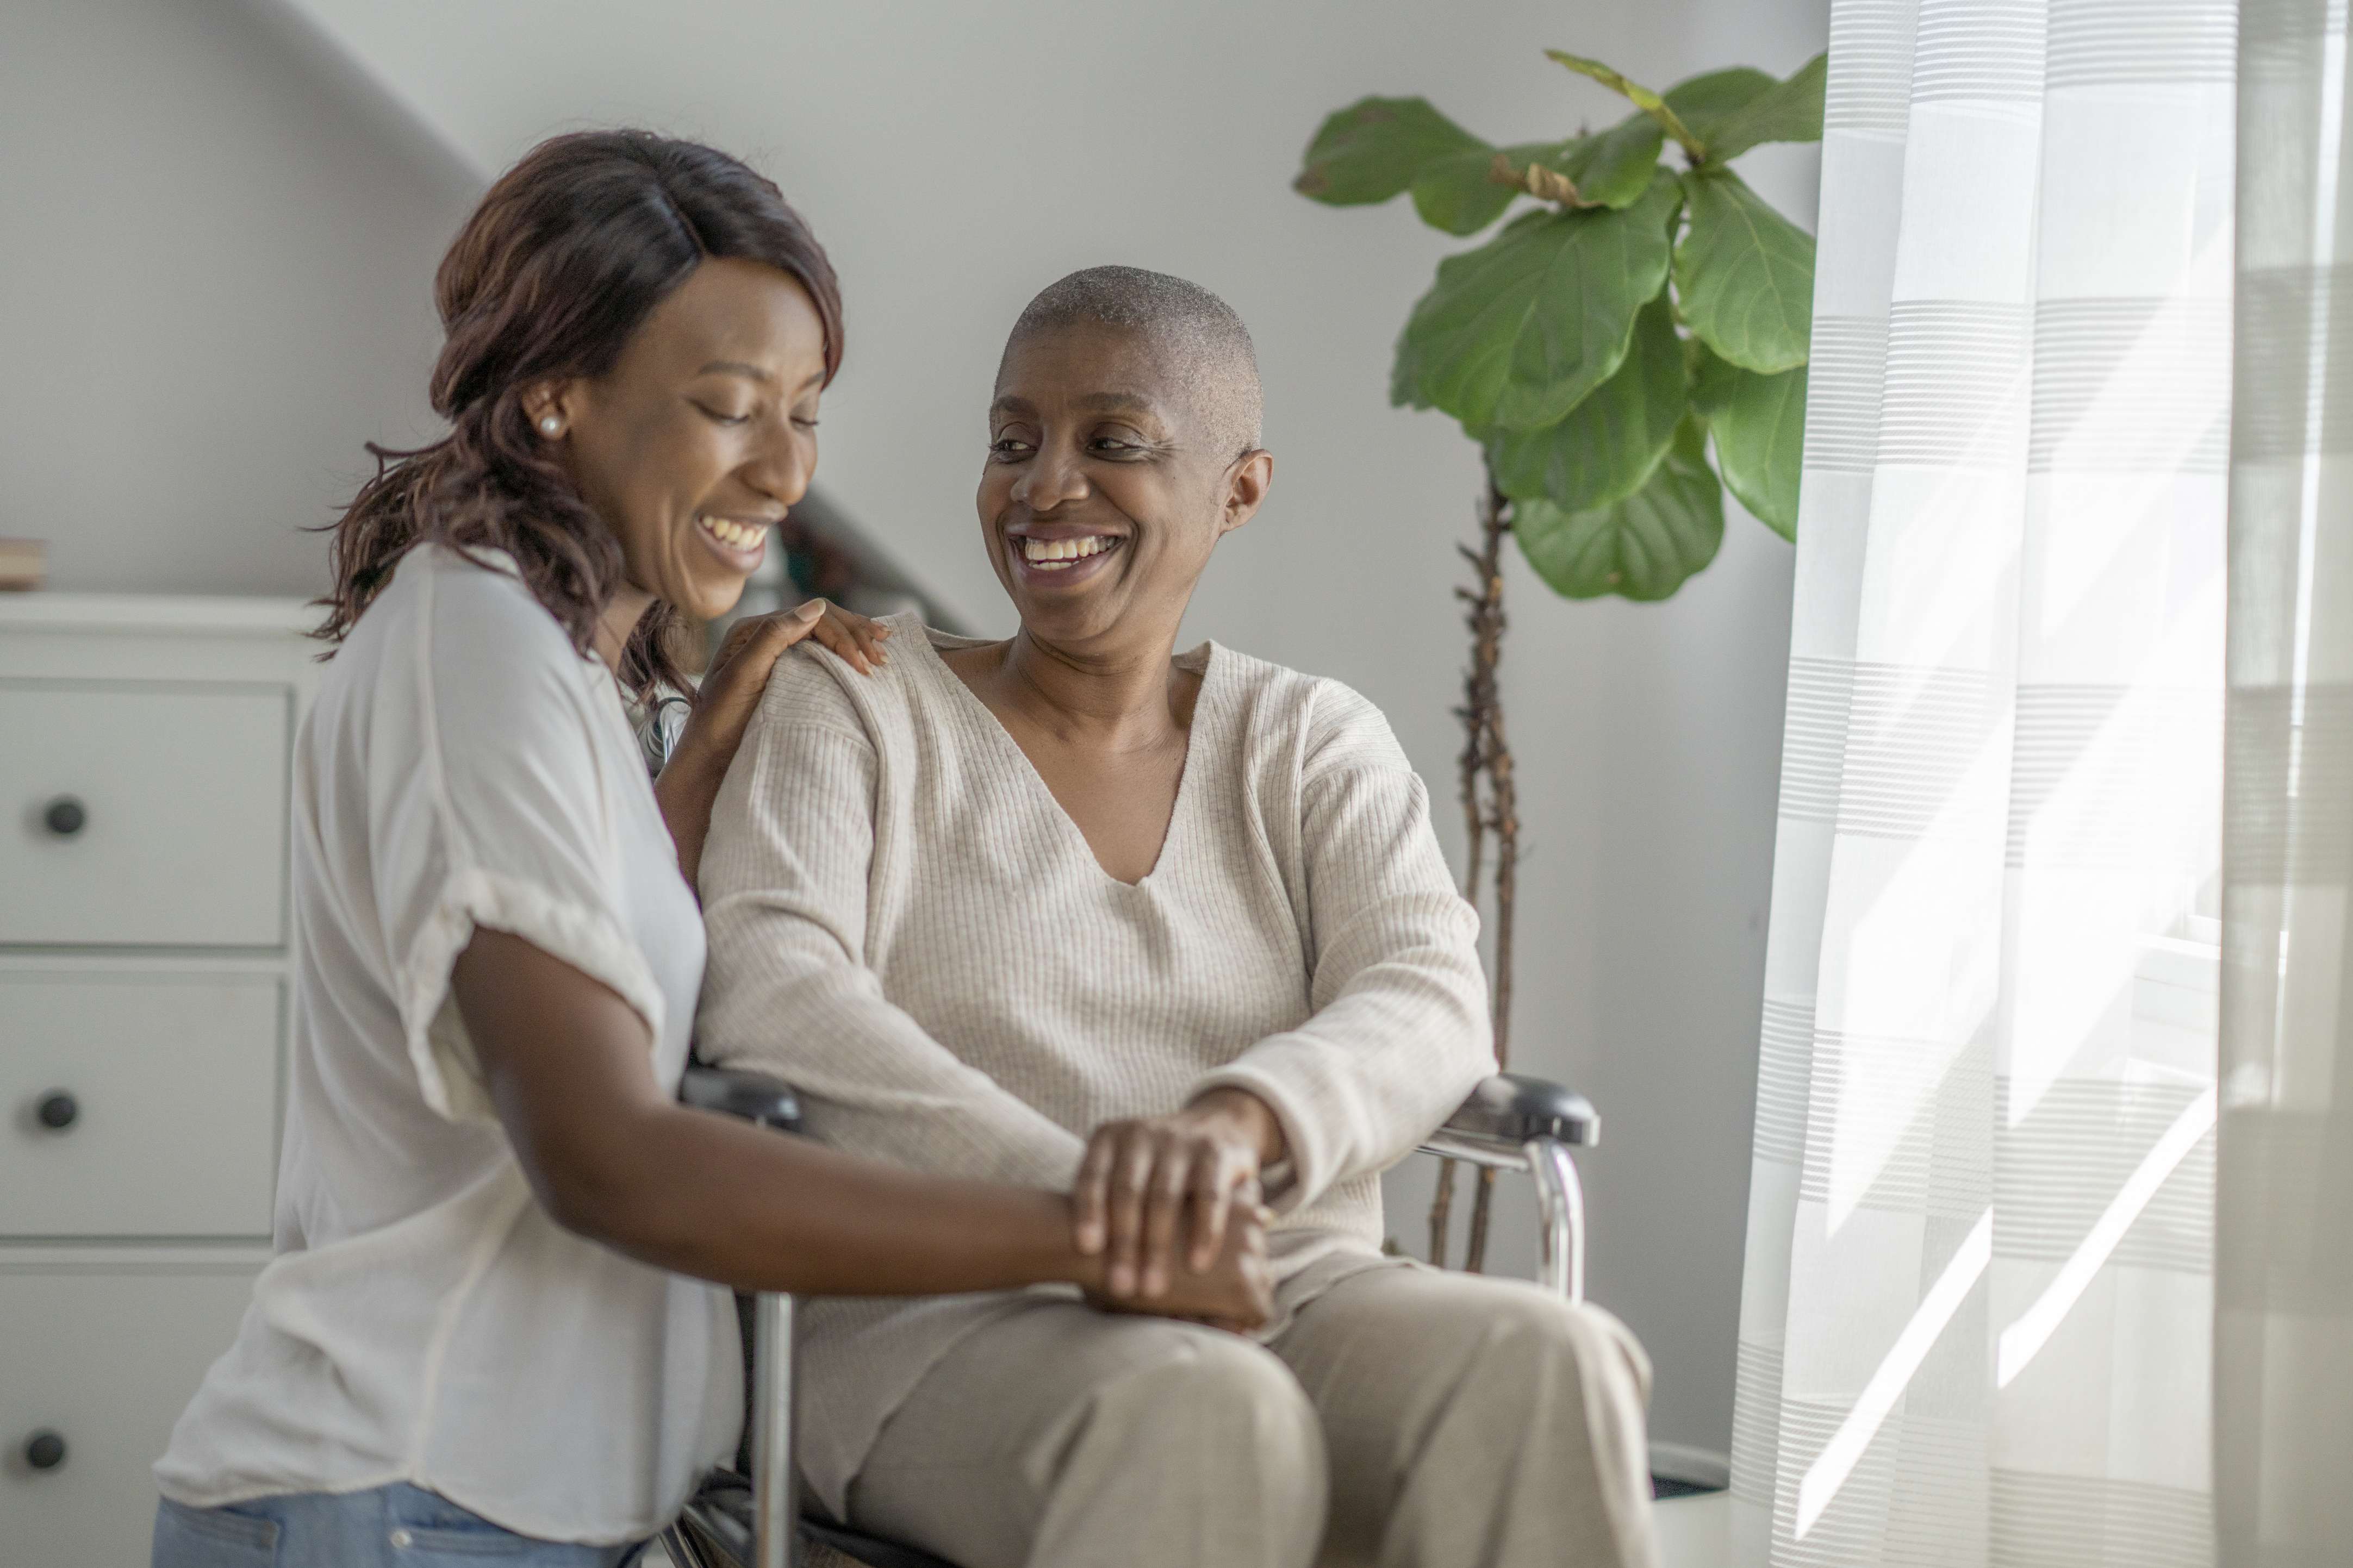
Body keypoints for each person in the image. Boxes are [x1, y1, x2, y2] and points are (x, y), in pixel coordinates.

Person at [150, 143, 1270, 1568]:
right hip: (404, 1501)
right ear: (556, 393)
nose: (788, 469)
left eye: (804, 414)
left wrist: (701, 756)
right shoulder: (476, 656)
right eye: (731, 409)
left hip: (496, 1508)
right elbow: (608, 1155)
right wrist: (1088, 1235)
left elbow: (605, 972)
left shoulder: (554, 665)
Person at [698, 265, 1660, 1568]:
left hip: (1282, 1285)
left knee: (1551, 1364)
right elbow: (774, 991)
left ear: (1239, 491)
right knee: (1203, 1415)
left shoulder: (1310, 742)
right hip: (941, 1316)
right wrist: (1098, 1212)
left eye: (1114, 443)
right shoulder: (856, 703)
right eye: (1012, 442)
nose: (1044, 487)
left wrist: (1237, 1126)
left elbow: (1428, 998)